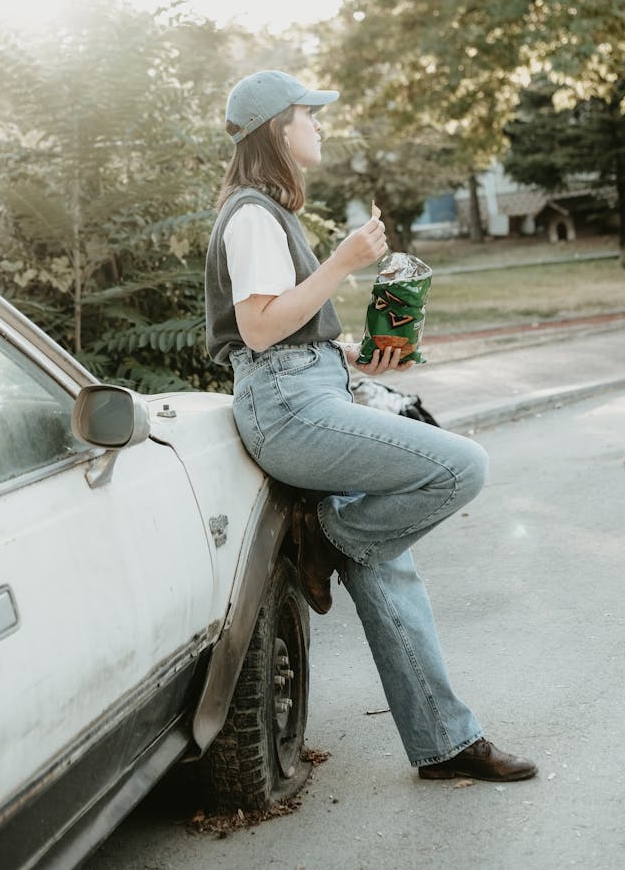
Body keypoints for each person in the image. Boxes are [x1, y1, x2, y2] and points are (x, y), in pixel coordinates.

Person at [204, 69, 537, 784]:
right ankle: (328, 535)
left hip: (306, 389)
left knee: (385, 560)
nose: (318, 125)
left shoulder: (267, 211)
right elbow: (259, 328)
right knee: (460, 466)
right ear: (275, 129)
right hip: (287, 408)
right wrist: (343, 262)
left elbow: (285, 328)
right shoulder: (252, 214)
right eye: (308, 115)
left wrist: (357, 350)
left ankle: (445, 740)